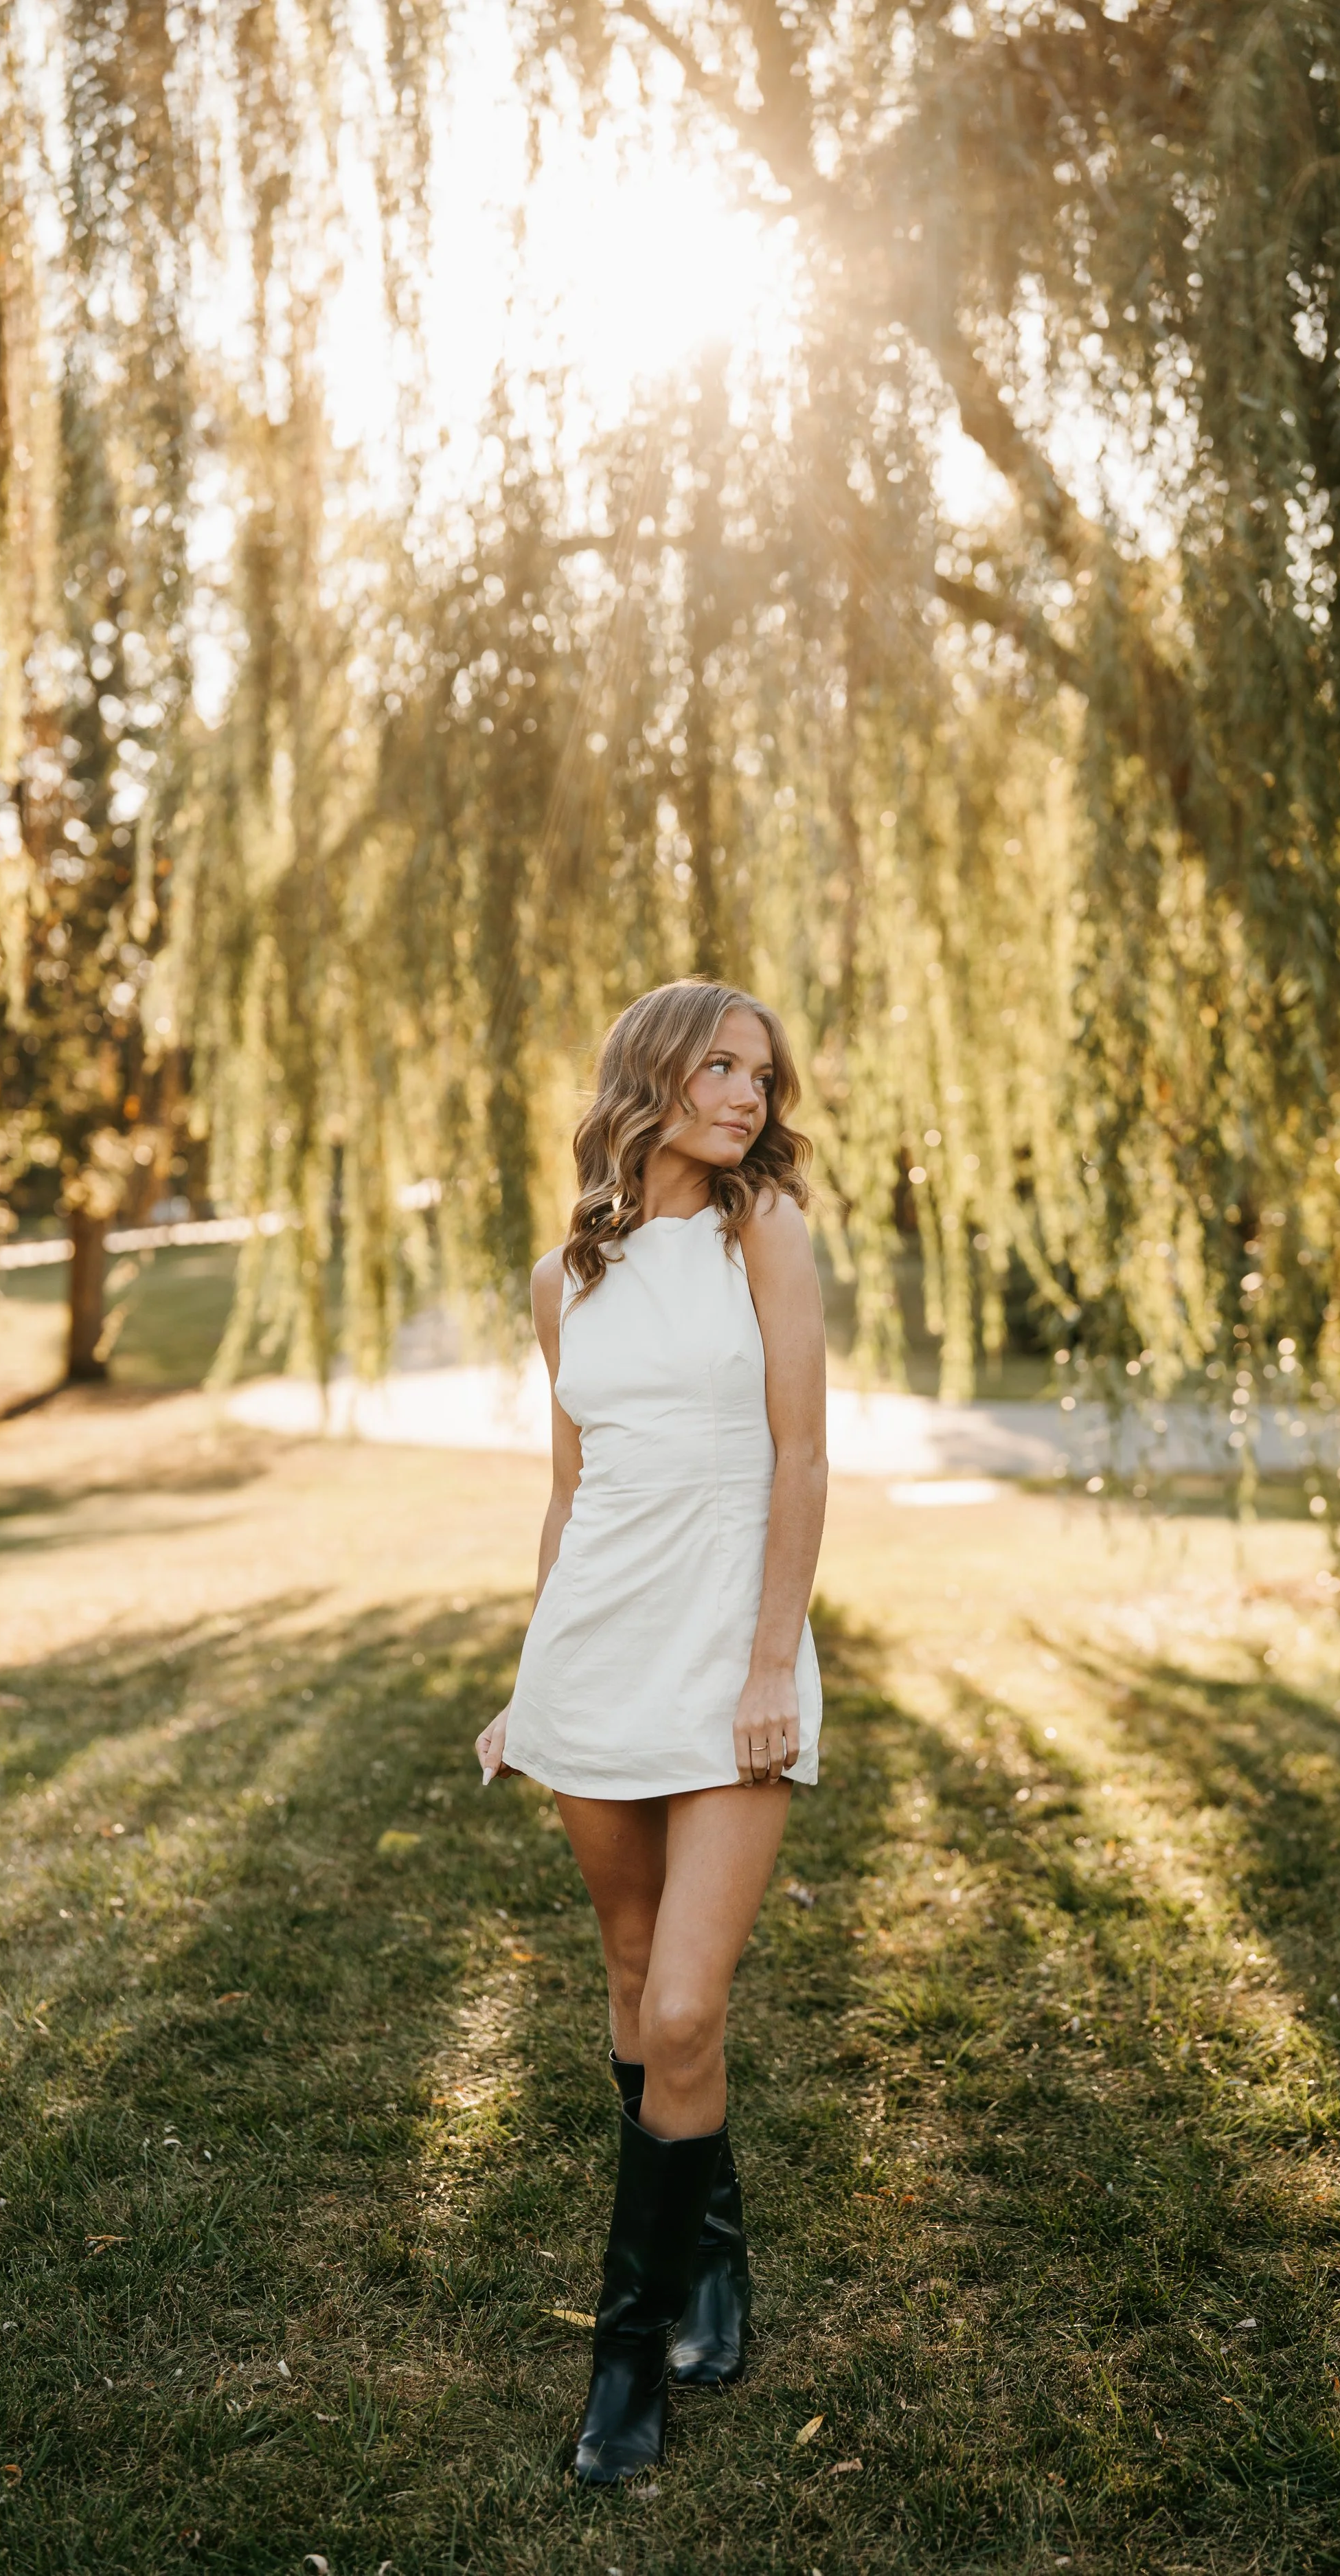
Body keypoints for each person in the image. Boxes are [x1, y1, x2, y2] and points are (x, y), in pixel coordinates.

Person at [474, 978, 828, 2487]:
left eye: (760, 1073)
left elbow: (803, 1455)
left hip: (728, 1661)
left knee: (683, 2010)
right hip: (595, 1658)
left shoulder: (766, 1234)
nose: (744, 1095)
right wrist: (525, 1674)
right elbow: (569, 1491)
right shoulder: (564, 1274)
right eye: (718, 1067)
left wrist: (768, 1666)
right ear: (650, 1076)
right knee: (627, 1981)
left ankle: (624, 2363)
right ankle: (715, 2260)